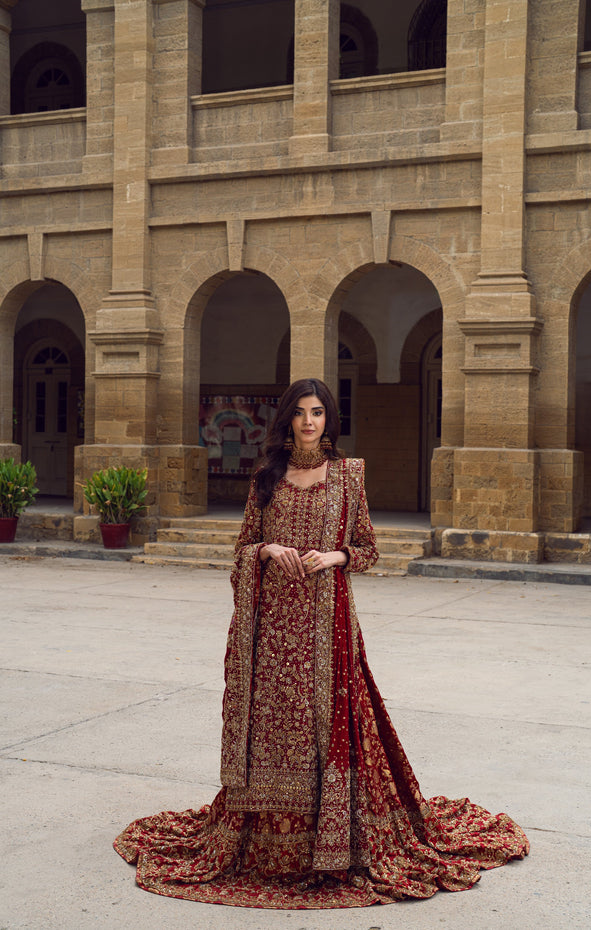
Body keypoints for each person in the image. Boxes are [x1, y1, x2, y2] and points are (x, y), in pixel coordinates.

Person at [114, 377, 528, 908]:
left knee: (329, 724)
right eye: (301, 413)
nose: (310, 422)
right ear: (287, 419)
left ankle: (333, 842)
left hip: (327, 621)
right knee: (275, 724)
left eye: (319, 413)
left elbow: (369, 549)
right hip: (272, 626)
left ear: (330, 420)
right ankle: (265, 842)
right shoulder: (266, 475)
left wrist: (334, 557)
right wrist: (266, 552)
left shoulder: (349, 475)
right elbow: (243, 546)